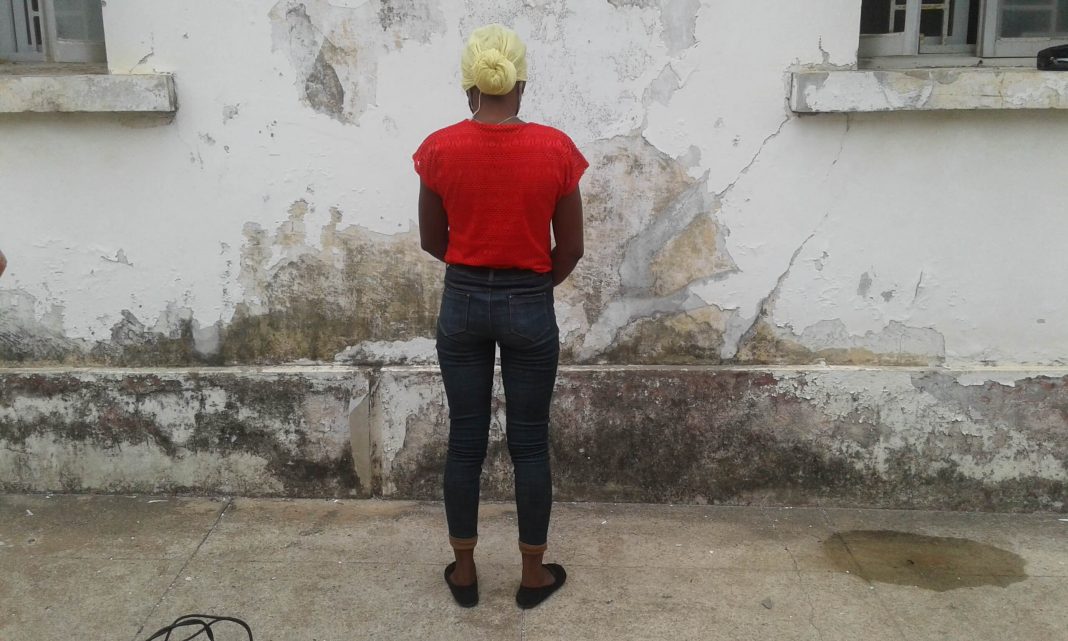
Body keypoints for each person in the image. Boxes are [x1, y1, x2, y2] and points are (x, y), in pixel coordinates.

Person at [413, 24, 587, 609]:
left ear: (470, 85)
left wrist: (475, 273)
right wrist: (530, 287)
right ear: (522, 83)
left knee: (465, 440)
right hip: (529, 302)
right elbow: (571, 248)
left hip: (462, 302)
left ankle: (464, 571)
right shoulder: (556, 149)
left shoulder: (438, 149)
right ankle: (532, 576)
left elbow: (432, 240)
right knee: (529, 443)